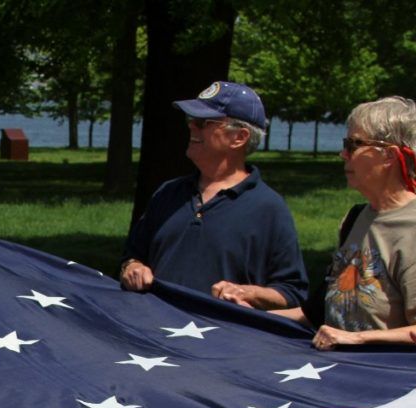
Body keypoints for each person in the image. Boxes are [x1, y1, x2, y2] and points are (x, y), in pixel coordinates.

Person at [274, 96, 416, 350]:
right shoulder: (355, 217)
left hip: (380, 382)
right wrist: (235, 317)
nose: (343, 154)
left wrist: (357, 339)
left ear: (389, 156)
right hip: (334, 372)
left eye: (353, 145)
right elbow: (318, 314)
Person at [119, 81, 308, 310]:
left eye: (202, 122)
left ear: (239, 137)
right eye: (190, 120)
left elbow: (293, 293)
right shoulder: (168, 193)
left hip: (222, 342)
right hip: (154, 334)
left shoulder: (269, 208)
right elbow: (132, 256)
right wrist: (132, 267)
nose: (191, 127)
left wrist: (247, 292)